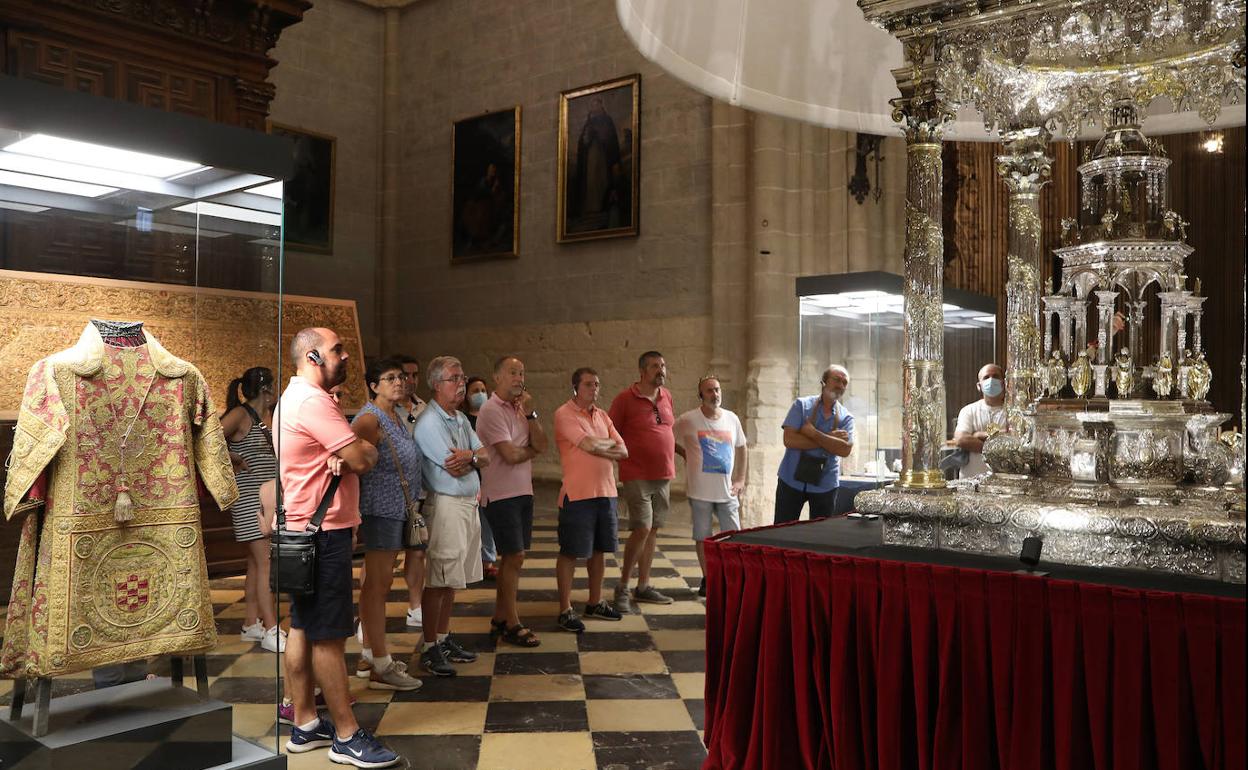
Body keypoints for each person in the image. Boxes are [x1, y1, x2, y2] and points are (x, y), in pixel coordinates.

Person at [276, 327, 399, 768]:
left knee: (304, 625)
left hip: (303, 528)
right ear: (312, 356)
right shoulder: (312, 401)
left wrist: (347, 451)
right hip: (322, 531)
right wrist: (357, 449)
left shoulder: (294, 397)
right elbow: (365, 459)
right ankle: (347, 736)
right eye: (337, 350)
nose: (345, 356)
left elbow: (351, 455)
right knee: (329, 634)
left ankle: (305, 723)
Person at [412, 356, 489, 677]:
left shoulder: (458, 418)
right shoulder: (429, 421)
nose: (462, 384)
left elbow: (485, 455)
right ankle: (429, 646)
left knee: (452, 580)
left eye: (462, 377)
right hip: (444, 505)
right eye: (454, 378)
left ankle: (442, 638)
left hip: (465, 502)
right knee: (440, 578)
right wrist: (473, 458)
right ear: (436, 384)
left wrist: (471, 456)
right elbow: (450, 464)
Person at [351, 358, 424, 692]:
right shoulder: (369, 419)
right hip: (380, 509)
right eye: (390, 378)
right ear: (373, 385)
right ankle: (378, 661)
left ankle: (371, 655)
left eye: (401, 377)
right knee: (376, 587)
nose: (399, 382)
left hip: (397, 509)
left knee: (382, 585)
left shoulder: (395, 416)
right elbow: (356, 464)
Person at [476, 356, 548, 647]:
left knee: (513, 559)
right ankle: (513, 622)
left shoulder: (522, 409)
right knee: (514, 557)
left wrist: (531, 416)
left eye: (522, 372)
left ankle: (499, 618)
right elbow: (509, 455)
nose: (519, 378)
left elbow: (542, 444)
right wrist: (529, 449)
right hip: (501, 493)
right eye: (512, 373)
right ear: (497, 377)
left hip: (522, 491)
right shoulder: (491, 409)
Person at [553, 367, 627, 632]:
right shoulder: (564, 414)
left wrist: (600, 444)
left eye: (596, 384)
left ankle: (595, 602)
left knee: (600, 551)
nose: (594, 389)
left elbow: (624, 450)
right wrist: (604, 444)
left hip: (606, 493)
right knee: (571, 552)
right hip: (578, 494)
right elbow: (588, 446)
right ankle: (565, 609)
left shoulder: (603, 415)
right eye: (588, 384)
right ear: (575, 387)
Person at [608, 351, 676, 613]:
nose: (660, 370)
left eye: (663, 365)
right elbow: (611, 431)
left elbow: (665, 429)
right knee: (642, 528)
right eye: (654, 366)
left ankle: (644, 586)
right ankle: (623, 586)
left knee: (653, 529)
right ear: (642, 371)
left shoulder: (666, 396)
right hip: (636, 473)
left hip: (664, 474)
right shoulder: (625, 399)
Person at [221, 366, 283, 652]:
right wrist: (232, 455)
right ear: (266, 389)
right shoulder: (240, 414)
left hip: (268, 496)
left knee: (256, 563)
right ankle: (271, 628)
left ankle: (250, 623)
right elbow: (208, 440)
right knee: (266, 562)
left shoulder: (271, 415)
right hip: (249, 498)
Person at [673, 376, 746, 597]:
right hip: (700, 492)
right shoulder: (688, 419)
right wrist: (684, 452)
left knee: (734, 536)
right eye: (709, 391)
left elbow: (743, 448)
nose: (714, 394)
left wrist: (741, 479)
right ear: (701, 395)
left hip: (726, 492)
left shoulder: (732, 419)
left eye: (717, 390)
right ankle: (708, 578)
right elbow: (666, 437)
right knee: (702, 537)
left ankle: (734, 577)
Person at [774, 365, 855, 523]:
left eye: (844, 383)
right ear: (824, 381)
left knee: (821, 534)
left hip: (825, 484)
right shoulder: (801, 406)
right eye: (837, 380)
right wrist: (830, 439)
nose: (840, 385)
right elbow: (789, 440)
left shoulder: (847, 418)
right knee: (782, 531)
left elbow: (845, 450)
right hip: (791, 479)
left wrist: (814, 433)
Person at [392, 355, 427, 631]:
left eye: (415, 375)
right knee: (386, 554)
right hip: (392, 492)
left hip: (419, 491)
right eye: (405, 375)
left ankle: (416, 606)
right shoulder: (386, 410)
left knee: (417, 551)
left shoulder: (425, 408)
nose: (410, 380)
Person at [462, 375, 498, 580]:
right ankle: (470, 562)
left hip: (491, 476)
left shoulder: (491, 417)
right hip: (471, 475)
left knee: (487, 523)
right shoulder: (465, 419)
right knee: (471, 523)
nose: (480, 394)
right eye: (475, 391)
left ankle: (487, 561)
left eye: (483, 390)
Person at [954, 363, 1007, 478]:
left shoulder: (1013, 412)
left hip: (1003, 482)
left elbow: (1016, 438)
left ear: (1004, 383)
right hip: (971, 481)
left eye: (996, 376)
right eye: (986, 377)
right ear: (979, 385)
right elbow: (961, 439)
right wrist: (996, 447)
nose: (991, 380)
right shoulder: (968, 410)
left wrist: (979, 435)